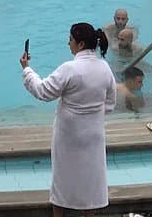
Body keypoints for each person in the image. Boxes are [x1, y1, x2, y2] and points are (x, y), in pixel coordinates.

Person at [20, 22, 117, 217]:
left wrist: (27, 69)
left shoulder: (70, 69)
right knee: (91, 176)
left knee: (63, 175)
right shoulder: (104, 68)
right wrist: (92, 116)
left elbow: (43, 91)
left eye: (71, 40)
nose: (68, 43)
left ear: (80, 44)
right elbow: (110, 103)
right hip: (93, 134)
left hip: (68, 134)